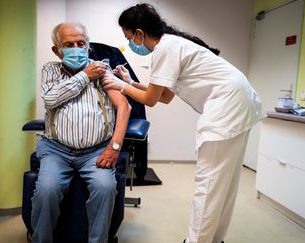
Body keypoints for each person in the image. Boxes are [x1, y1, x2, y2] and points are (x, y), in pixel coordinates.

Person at [102, 4, 264, 243]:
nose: (131, 44)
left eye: (129, 38)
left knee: (208, 183)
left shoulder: (164, 48)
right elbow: (165, 97)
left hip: (227, 106)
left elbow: (151, 100)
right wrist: (128, 81)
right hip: (241, 103)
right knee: (224, 184)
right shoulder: (172, 44)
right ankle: (214, 238)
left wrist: (119, 85)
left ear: (139, 33)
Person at [31, 22, 131, 243]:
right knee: (47, 190)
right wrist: (85, 75)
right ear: (57, 50)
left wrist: (115, 146)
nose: (76, 48)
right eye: (69, 44)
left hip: (95, 151)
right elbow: (50, 99)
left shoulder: (103, 69)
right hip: (56, 149)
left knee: (105, 188)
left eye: (81, 43)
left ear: (88, 46)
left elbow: (124, 107)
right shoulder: (51, 70)